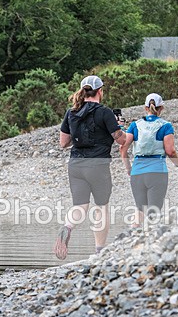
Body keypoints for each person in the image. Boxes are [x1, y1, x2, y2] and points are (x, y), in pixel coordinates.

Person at [53, 75, 127, 260]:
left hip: (76, 164)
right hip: (98, 165)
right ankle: (99, 251)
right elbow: (121, 139)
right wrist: (119, 127)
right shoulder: (105, 112)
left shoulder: (71, 112)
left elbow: (63, 143)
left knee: (80, 206)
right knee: (101, 207)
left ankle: (68, 227)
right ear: (100, 91)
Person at [120, 93, 178, 227]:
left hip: (137, 172)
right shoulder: (166, 126)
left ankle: (130, 239)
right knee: (154, 213)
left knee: (140, 210)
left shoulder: (135, 125)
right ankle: (151, 243)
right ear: (161, 108)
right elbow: (170, 151)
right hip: (157, 172)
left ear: (145, 107)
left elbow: (123, 149)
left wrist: (128, 168)